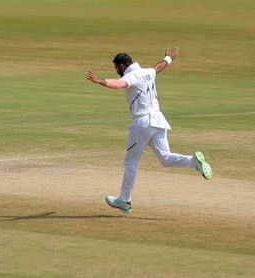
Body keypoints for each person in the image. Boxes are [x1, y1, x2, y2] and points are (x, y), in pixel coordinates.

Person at [85, 47, 212, 213]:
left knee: (131, 162)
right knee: (165, 158)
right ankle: (193, 162)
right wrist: (168, 58)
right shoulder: (147, 72)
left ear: (122, 66)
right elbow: (158, 67)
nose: (117, 71)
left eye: (116, 68)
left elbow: (118, 84)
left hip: (142, 123)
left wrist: (99, 81)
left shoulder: (131, 76)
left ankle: (124, 200)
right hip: (158, 120)